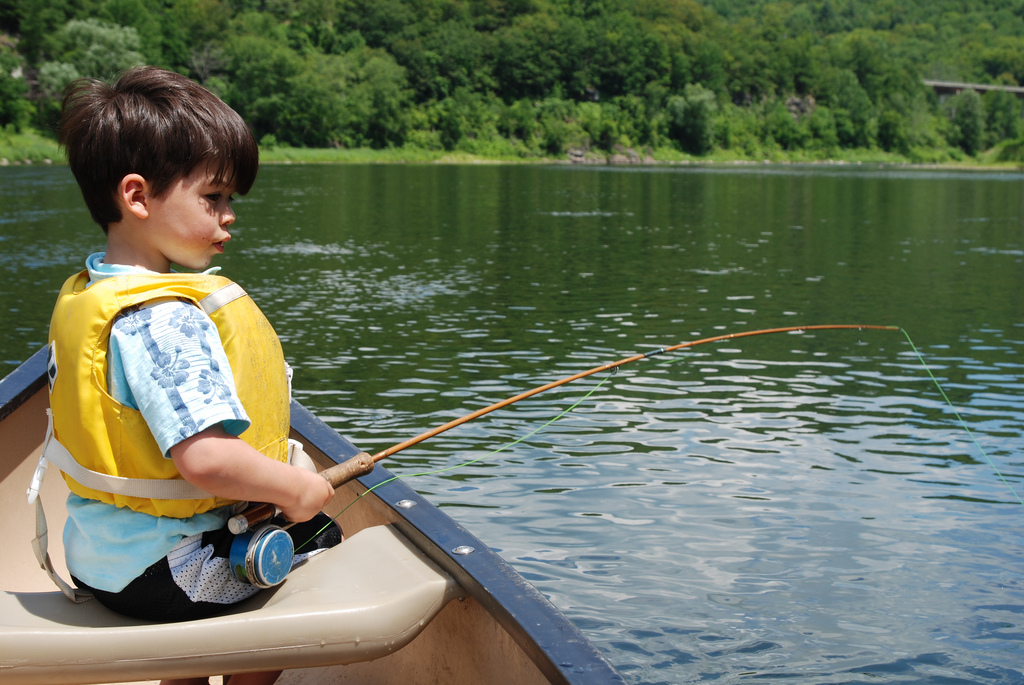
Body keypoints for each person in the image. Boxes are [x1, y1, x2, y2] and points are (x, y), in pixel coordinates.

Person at [44, 66, 339, 685]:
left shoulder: (97, 289)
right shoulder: (165, 318)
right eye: (214, 198)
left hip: (99, 562)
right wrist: (296, 489)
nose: (229, 217)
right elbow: (204, 460)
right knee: (321, 539)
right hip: (164, 574)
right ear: (137, 196)